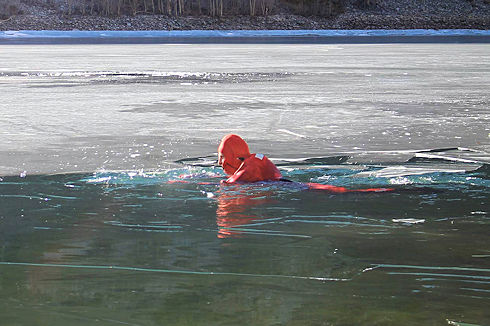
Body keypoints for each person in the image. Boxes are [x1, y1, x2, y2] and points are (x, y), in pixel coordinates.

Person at [218, 134, 282, 184]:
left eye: (223, 157)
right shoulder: (255, 160)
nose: (219, 162)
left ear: (236, 158)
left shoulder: (249, 168)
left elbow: (229, 184)